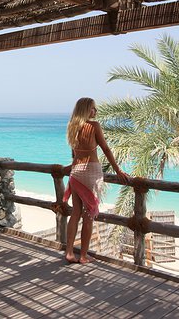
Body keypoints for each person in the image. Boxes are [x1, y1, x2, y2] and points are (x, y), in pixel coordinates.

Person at [63, 97, 129, 264]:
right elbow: (105, 148)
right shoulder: (94, 126)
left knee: (75, 213)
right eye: (93, 108)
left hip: (76, 172)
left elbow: (74, 154)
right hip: (91, 171)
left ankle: (69, 252)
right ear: (86, 110)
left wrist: (72, 168)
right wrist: (117, 170)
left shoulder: (72, 127)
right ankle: (83, 256)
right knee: (88, 215)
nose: (96, 111)